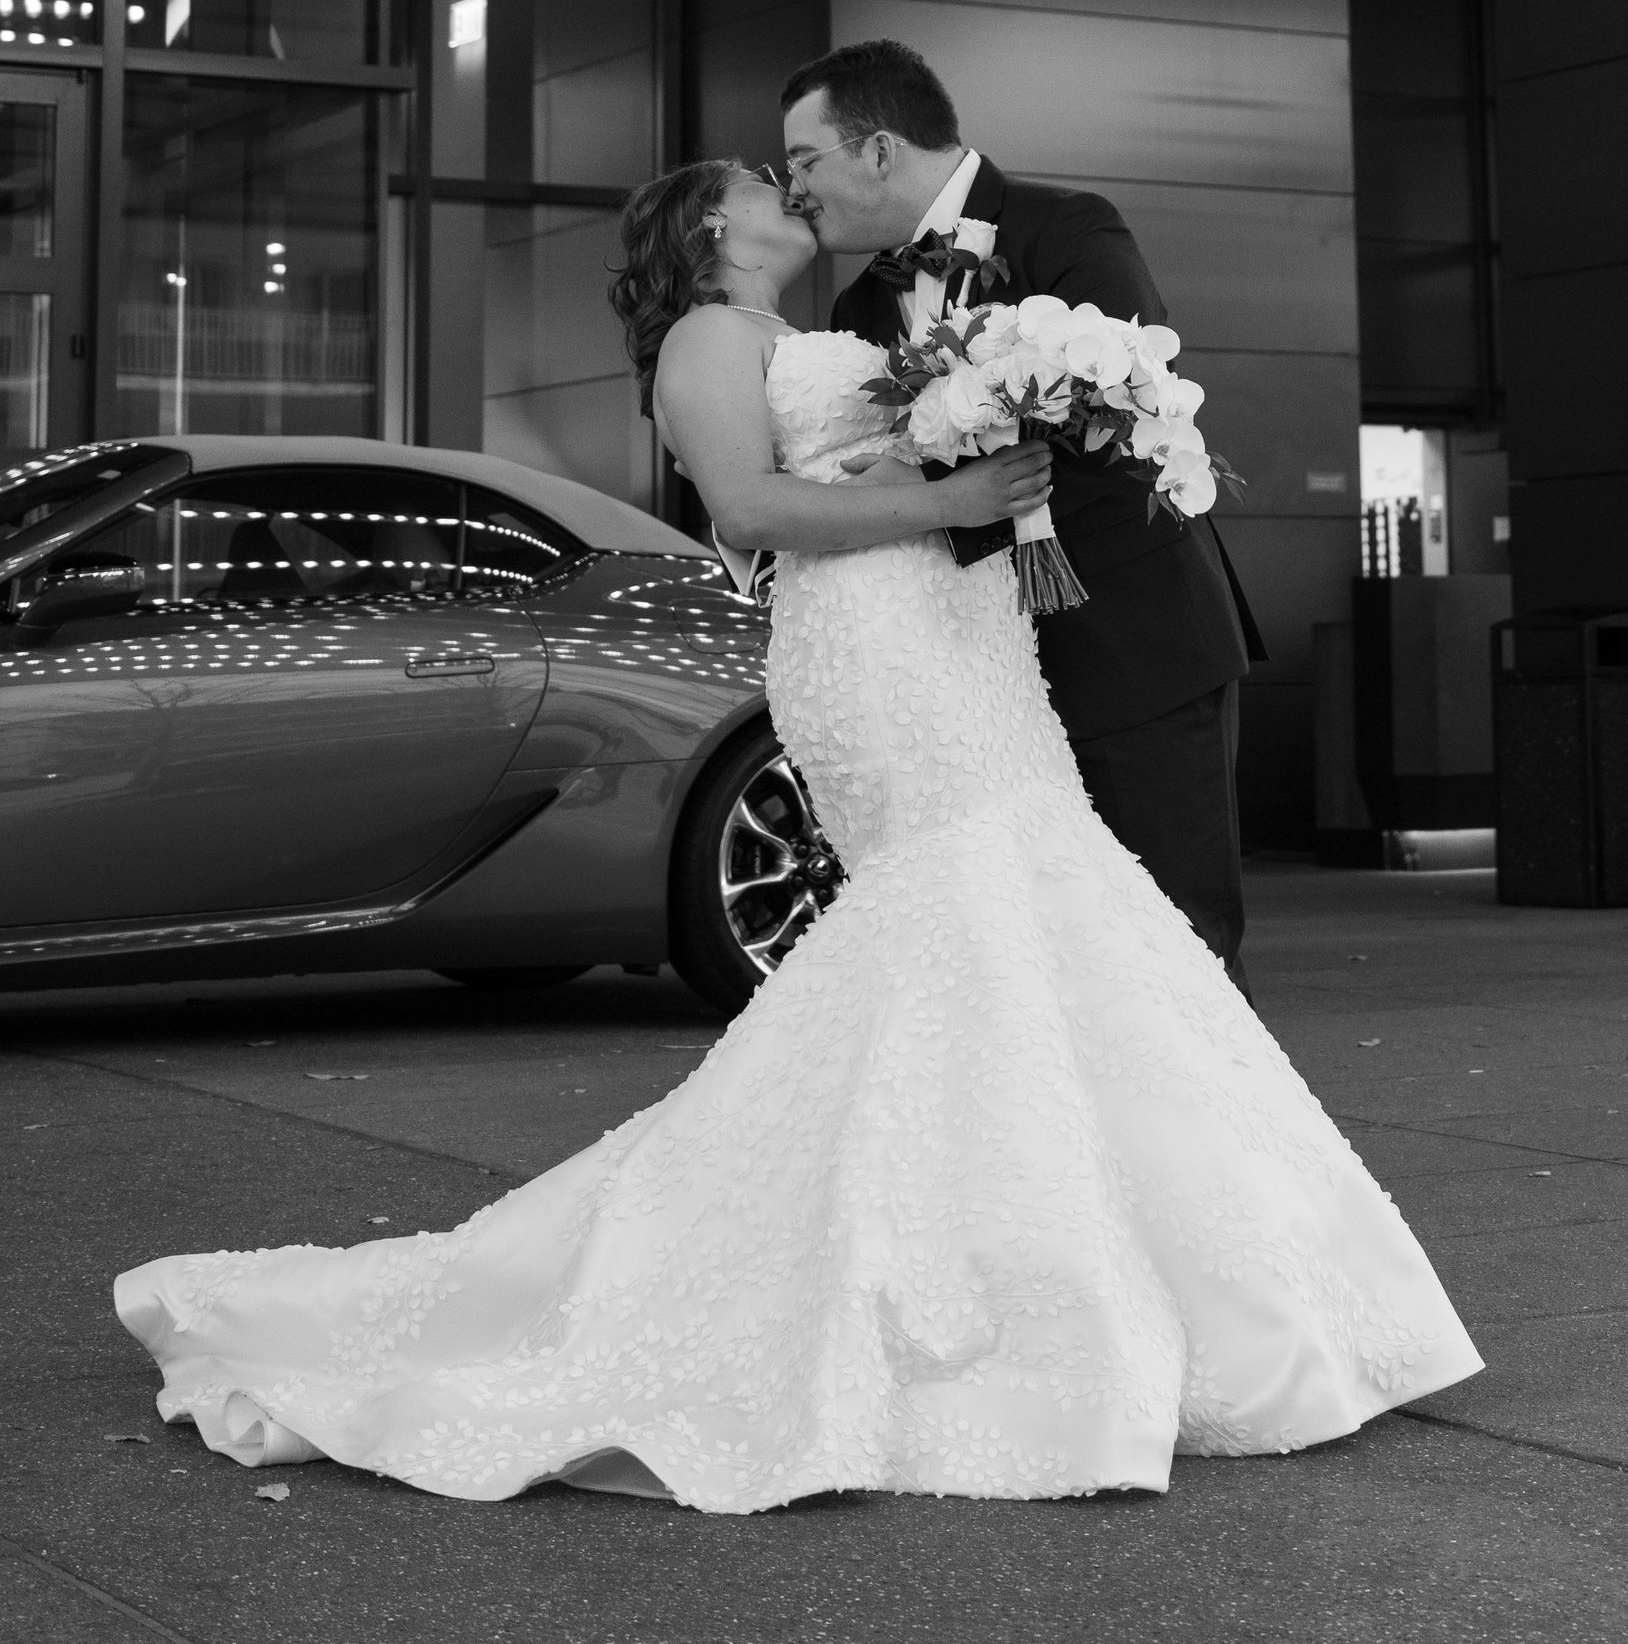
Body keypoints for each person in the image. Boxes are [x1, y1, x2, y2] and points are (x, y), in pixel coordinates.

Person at [115, 152, 1481, 1513]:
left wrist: (985, 431)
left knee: (1047, 893)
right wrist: (946, 495)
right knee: (961, 903)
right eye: (775, 182)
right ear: (718, 223)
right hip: (872, 653)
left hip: (964, 639)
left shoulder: (809, 328)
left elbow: (873, 460)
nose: (797, 193)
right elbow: (750, 509)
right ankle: (993, 1282)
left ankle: (1122, 1258)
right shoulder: (706, 339)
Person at [783, 37, 1256, 981]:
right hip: (980, 685)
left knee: (1175, 950)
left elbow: (1115, 422)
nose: (796, 189)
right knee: (1040, 965)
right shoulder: (858, 304)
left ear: (878, 149)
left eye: (805, 161)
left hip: (1128, 649)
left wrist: (935, 500)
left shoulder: (1070, 227)